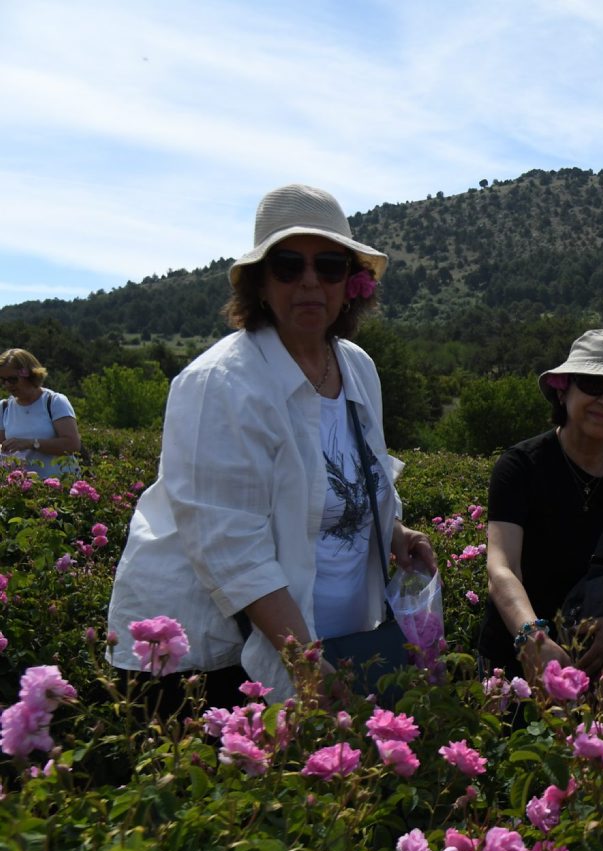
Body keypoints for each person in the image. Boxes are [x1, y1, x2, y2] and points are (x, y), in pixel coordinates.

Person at [107, 184, 436, 710]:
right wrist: (307, 666)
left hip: (335, 639)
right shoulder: (223, 382)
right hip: (224, 663)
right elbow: (230, 548)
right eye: (287, 265)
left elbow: (338, 476)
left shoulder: (356, 367)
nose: (309, 282)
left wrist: (391, 528)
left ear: (351, 283)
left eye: (328, 266)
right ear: (260, 283)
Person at [477, 330, 603, 678]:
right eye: (594, 384)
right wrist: (531, 636)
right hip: (515, 652)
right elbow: (502, 567)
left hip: (600, 656)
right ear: (564, 389)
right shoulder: (520, 466)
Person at [0, 348, 82, 477]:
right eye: (3, 380)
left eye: (12, 379)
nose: (7, 385)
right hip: (21, 490)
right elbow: (3, 448)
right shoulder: (4, 407)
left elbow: (72, 444)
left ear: (31, 374)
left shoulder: (54, 402)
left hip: (60, 487)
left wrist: (31, 443)